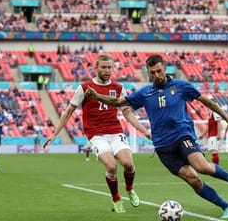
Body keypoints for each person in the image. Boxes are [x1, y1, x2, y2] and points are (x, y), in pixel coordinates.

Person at [85, 54, 228, 219]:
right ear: (148, 73)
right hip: (163, 147)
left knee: (202, 167)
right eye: (152, 72)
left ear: (165, 69)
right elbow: (118, 102)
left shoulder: (181, 86)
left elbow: (207, 101)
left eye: (159, 71)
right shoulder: (145, 93)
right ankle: (227, 207)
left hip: (182, 136)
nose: (156, 75)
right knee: (193, 180)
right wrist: (97, 96)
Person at [43, 53, 151, 213]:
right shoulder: (85, 88)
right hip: (96, 134)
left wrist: (145, 131)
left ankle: (130, 188)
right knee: (111, 166)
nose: (107, 70)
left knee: (128, 164)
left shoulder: (118, 88)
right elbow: (69, 111)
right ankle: (116, 199)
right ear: (96, 68)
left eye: (110, 67)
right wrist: (54, 133)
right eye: (104, 67)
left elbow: (127, 113)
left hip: (115, 131)